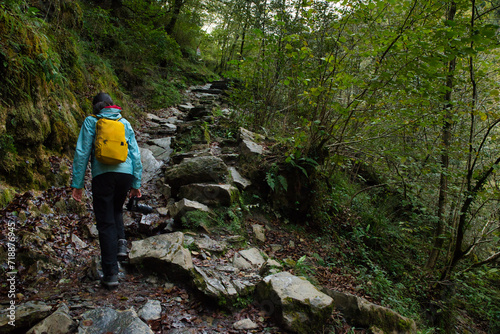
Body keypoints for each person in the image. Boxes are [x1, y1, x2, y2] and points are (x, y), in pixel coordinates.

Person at [71, 92, 143, 289]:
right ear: (112, 105)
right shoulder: (124, 122)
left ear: (96, 107)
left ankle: (111, 273)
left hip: (102, 175)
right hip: (125, 174)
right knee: (116, 208)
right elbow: (135, 153)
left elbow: (82, 152)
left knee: (105, 223)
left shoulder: (91, 121)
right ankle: (121, 244)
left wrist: (77, 184)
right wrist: (136, 183)